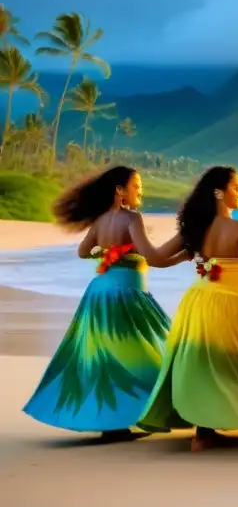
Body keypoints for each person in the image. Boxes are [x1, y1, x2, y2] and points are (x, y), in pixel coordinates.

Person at [23, 166, 186, 440]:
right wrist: (182, 256)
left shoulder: (100, 221)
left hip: (100, 292)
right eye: (137, 186)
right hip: (126, 293)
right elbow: (154, 258)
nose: (141, 191)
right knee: (148, 351)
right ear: (120, 191)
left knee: (109, 358)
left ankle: (115, 425)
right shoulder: (132, 219)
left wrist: (109, 253)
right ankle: (149, 413)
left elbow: (83, 251)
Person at [137, 166, 238, 450]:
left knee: (203, 366)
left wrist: (185, 256)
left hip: (196, 300)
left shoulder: (195, 229)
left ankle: (204, 431)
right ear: (219, 192)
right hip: (225, 304)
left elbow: (156, 258)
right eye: (236, 187)